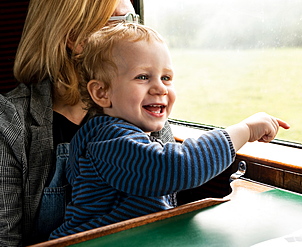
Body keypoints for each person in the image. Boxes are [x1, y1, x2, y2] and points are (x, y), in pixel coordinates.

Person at [49, 22, 290, 239]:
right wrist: (243, 131)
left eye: (166, 78)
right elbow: (176, 167)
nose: (160, 88)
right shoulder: (109, 139)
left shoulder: (124, 133)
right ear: (102, 93)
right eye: (143, 77)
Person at [0, 0, 174, 246]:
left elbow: (164, 219)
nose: (136, 34)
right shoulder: (9, 122)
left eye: (135, 20)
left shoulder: (144, 109)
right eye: (121, 23)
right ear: (75, 38)